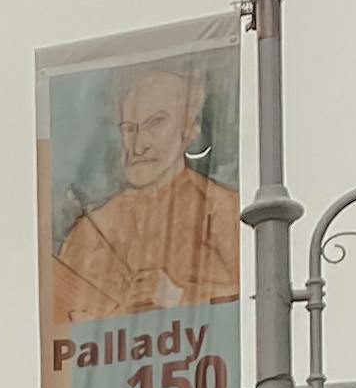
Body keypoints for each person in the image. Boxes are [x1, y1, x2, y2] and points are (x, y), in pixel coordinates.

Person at [50, 57, 241, 327]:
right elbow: (64, 327)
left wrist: (177, 296)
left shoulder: (225, 212)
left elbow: (251, 305)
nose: (139, 145)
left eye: (156, 123)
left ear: (190, 130)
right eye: (130, 129)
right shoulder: (89, 233)